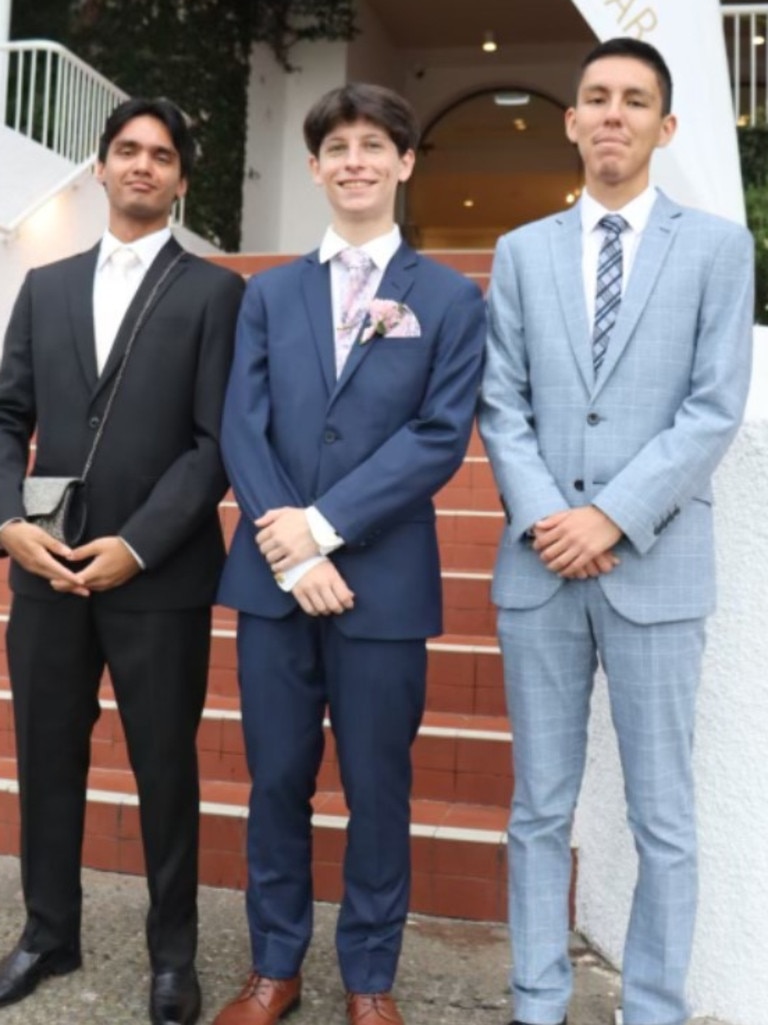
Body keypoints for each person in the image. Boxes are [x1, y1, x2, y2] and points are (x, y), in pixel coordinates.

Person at [478, 38, 754, 1025]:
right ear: (571, 119)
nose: (612, 114)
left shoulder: (719, 248)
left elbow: (713, 407)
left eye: (634, 100)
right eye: (595, 97)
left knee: (663, 816)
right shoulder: (520, 252)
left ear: (663, 126)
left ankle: (652, 1006)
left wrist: (610, 516)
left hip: (656, 563)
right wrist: (554, 517)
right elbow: (500, 401)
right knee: (538, 808)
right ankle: (538, 999)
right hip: (540, 567)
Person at [212, 83, 485, 1025]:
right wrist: (289, 551)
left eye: (376, 145)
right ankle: (272, 967)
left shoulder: (448, 298)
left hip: (383, 585)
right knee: (277, 778)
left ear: (405, 164)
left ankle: (370, 978)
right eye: (339, 147)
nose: (357, 160)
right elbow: (242, 427)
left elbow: (438, 437)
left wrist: (320, 529)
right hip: (273, 583)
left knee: (378, 786)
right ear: (318, 166)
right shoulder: (270, 293)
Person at [0, 97, 244, 1025]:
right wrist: (5, 526)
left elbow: (214, 442)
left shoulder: (217, 293)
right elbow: (6, 417)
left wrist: (137, 545)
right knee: (46, 759)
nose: (142, 164)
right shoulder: (46, 284)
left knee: (164, 768)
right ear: (100, 168)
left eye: (162, 155)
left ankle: (172, 955)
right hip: (44, 567)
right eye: (126, 150)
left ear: (181, 179)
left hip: (159, 578)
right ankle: (47, 932)